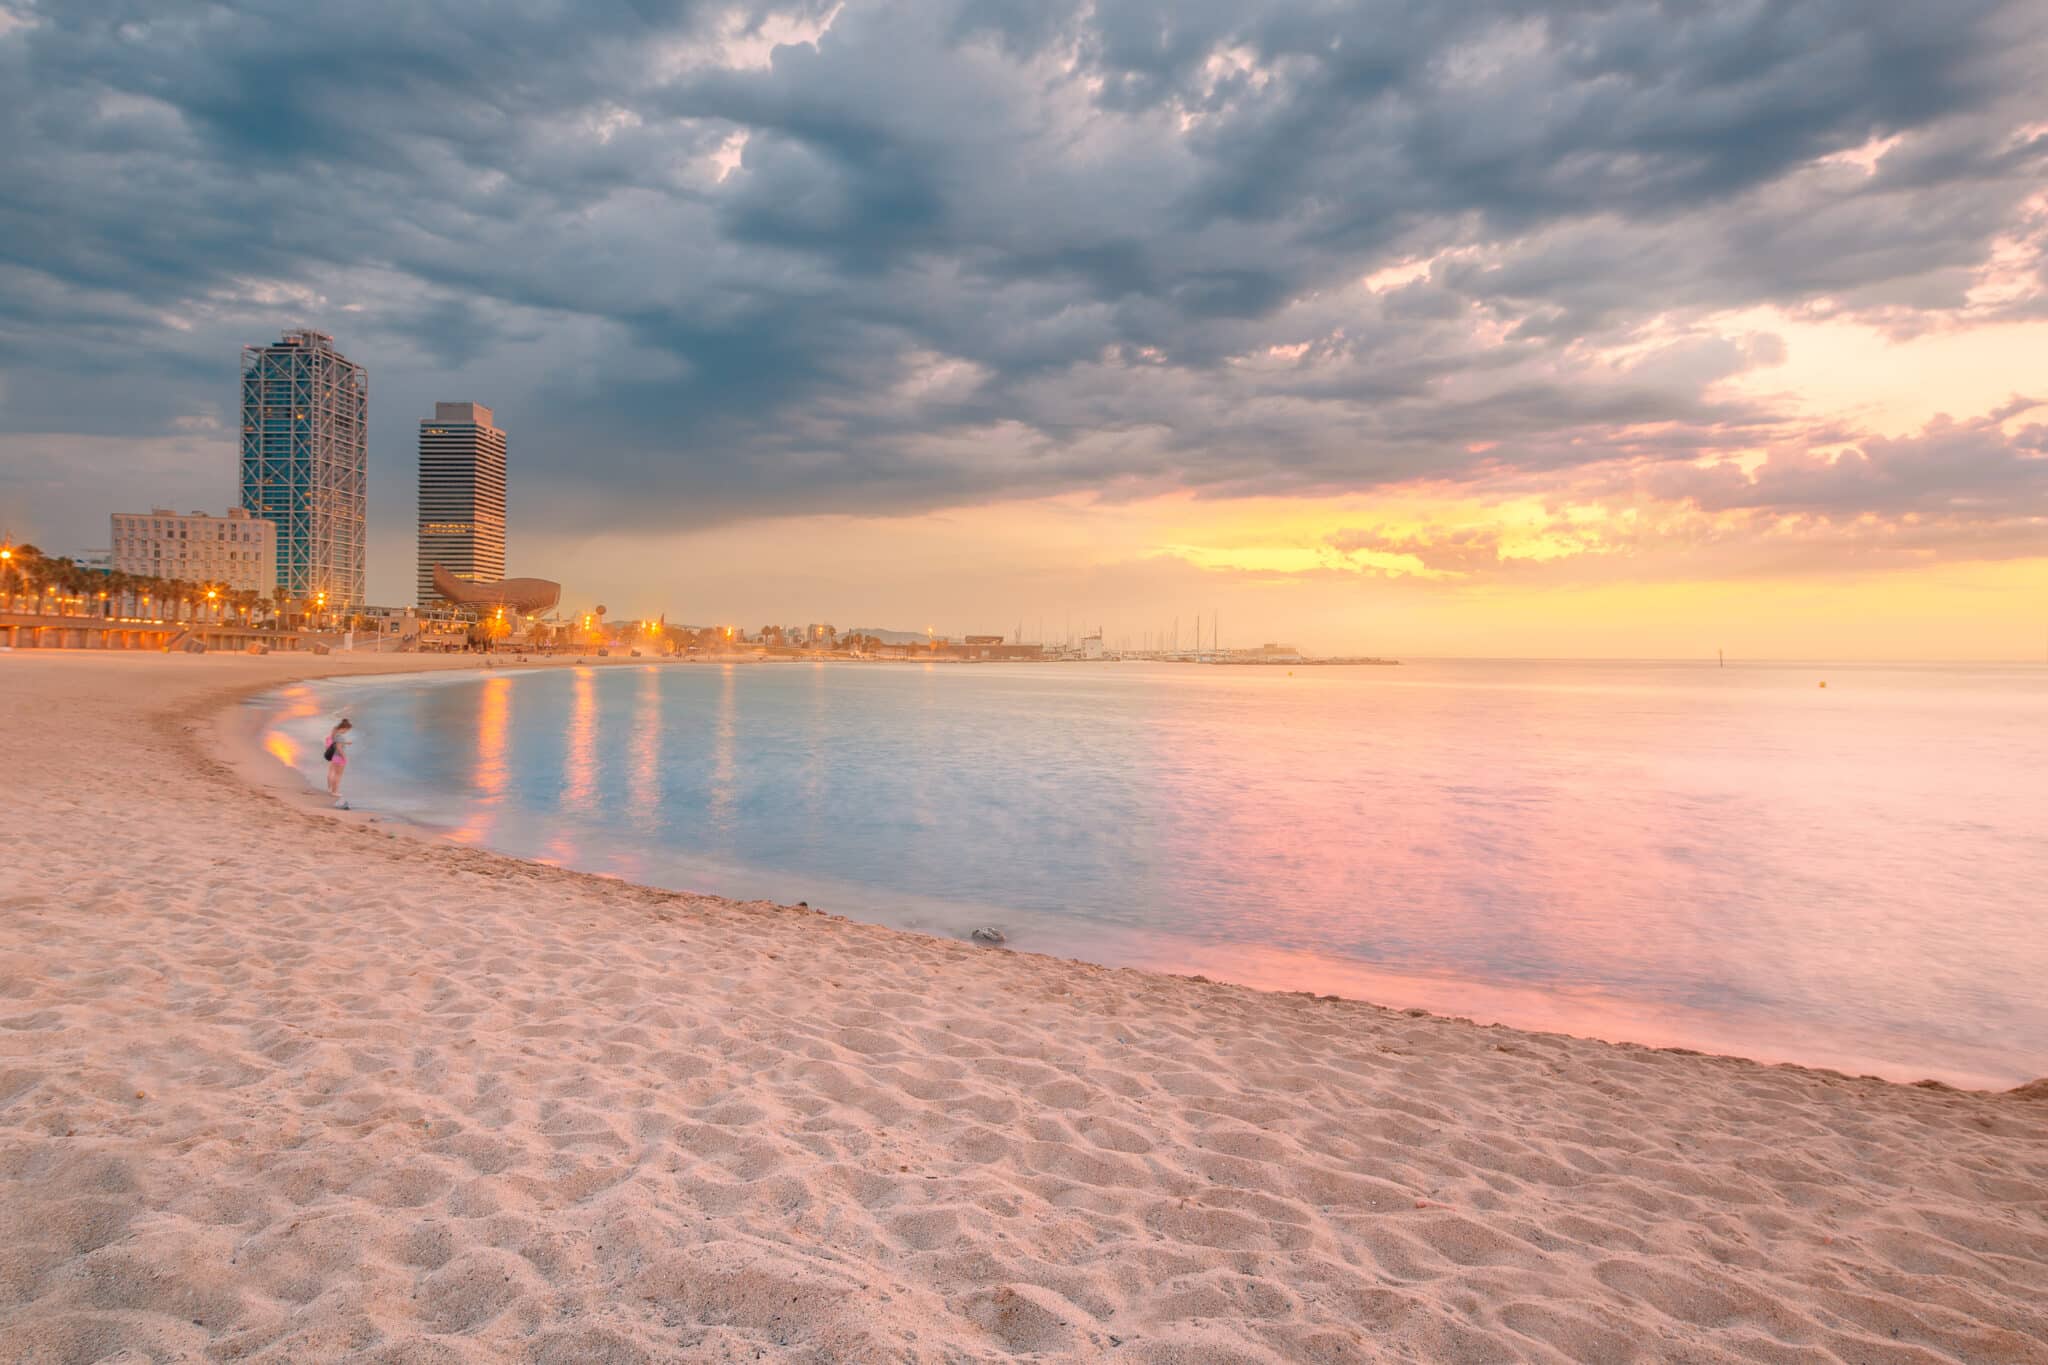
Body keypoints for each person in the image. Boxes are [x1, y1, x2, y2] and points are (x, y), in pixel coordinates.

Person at [323, 718, 353, 808]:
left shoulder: (336, 735)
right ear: (344, 728)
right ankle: (334, 791)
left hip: (335, 757)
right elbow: (339, 748)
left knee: (334, 773)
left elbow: (336, 743)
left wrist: (346, 743)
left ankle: (331, 790)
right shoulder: (340, 736)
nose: (347, 732)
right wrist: (344, 757)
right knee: (338, 775)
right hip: (339, 757)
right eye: (347, 730)